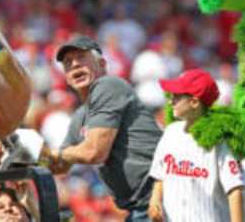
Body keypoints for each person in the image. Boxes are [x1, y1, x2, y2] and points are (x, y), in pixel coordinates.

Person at [43, 35, 163, 221]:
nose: (74, 64)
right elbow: (60, 165)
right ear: (66, 77)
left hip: (160, 197)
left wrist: (57, 154)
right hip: (140, 207)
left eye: (81, 58)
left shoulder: (109, 85)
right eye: (67, 62)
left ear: (102, 64)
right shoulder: (80, 117)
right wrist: (26, 155)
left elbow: (94, 152)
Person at [147, 69, 245, 222]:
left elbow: (235, 190)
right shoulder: (170, 132)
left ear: (194, 102)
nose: (170, 101)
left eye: (177, 96)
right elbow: (160, 176)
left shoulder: (218, 140)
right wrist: (155, 200)